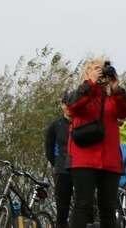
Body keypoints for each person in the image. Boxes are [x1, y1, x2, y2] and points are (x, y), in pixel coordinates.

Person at [66, 58, 126, 228]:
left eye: (104, 69)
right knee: (83, 205)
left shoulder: (112, 98)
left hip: (110, 161)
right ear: (88, 72)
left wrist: (116, 88)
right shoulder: (81, 92)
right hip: (83, 158)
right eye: (97, 68)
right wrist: (90, 83)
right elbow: (72, 106)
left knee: (108, 208)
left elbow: (123, 111)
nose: (101, 71)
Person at [44, 93, 73, 228]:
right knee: (62, 209)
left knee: (84, 206)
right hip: (62, 170)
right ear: (62, 106)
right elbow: (49, 149)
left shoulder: (81, 123)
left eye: (70, 103)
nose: (68, 107)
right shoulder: (55, 125)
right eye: (65, 104)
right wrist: (57, 163)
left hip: (80, 169)